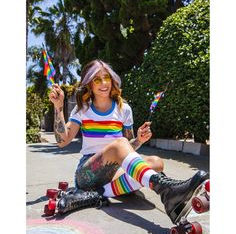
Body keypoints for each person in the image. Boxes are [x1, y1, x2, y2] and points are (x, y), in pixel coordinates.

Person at [49, 59, 208, 224]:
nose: (104, 83)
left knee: (156, 163)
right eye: (97, 79)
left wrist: (138, 140)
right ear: (89, 83)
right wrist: (58, 107)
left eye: (107, 78)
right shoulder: (83, 108)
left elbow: (128, 149)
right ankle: (166, 190)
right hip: (88, 174)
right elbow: (62, 141)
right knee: (120, 143)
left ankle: (100, 194)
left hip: (114, 172)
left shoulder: (123, 109)